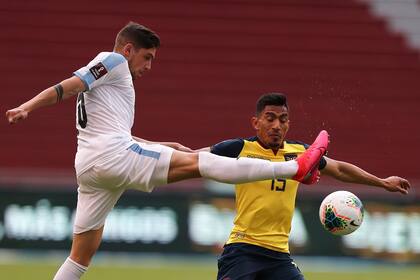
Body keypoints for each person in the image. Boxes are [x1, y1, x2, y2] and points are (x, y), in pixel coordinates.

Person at [5, 22, 329, 280]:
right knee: (199, 163)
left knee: (80, 255)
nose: (149, 66)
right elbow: (70, 84)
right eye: (147, 57)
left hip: (91, 166)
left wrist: (157, 146)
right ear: (129, 49)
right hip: (110, 156)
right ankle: (292, 169)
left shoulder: (116, 84)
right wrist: (27, 106)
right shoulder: (114, 60)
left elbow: (113, 131)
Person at [201, 93, 411, 280]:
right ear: (256, 123)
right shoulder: (239, 148)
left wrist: (382, 182)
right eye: (270, 118)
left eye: (282, 120)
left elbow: (339, 169)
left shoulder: (300, 152)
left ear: (288, 124)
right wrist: (169, 152)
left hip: (278, 255)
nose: (276, 126)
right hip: (243, 250)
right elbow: (193, 157)